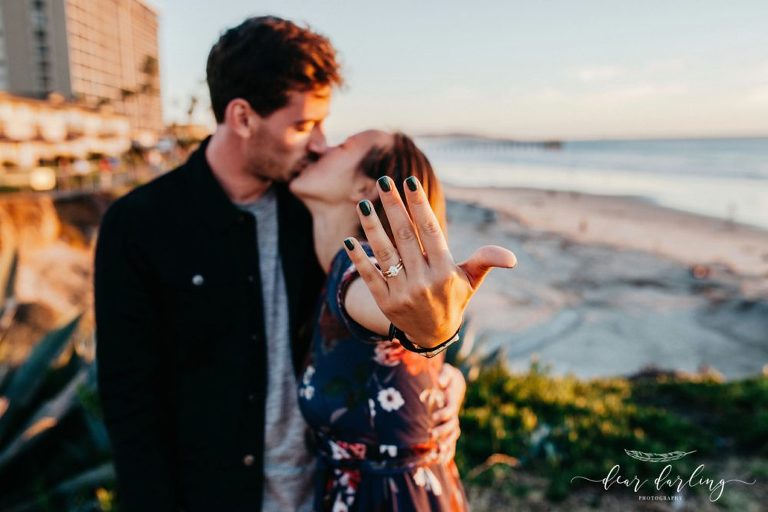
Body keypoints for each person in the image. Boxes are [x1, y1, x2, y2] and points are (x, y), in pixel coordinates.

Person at [94, 16, 514, 512]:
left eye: (322, 122)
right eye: (302, 125)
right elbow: (130, 399)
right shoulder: (140, 224)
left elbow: (381, 307)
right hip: (214, 496)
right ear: (243, 117)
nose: (319, 141)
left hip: (325, 493)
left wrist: (440, 358)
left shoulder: (315, 212)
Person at [291, 130, 496, 510]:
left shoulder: (359, 271)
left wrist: (432, 327)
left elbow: (390, 308)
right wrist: (449, 374)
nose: (321, 145)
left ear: (364, 188)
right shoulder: (344, 269)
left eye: (341, 145)